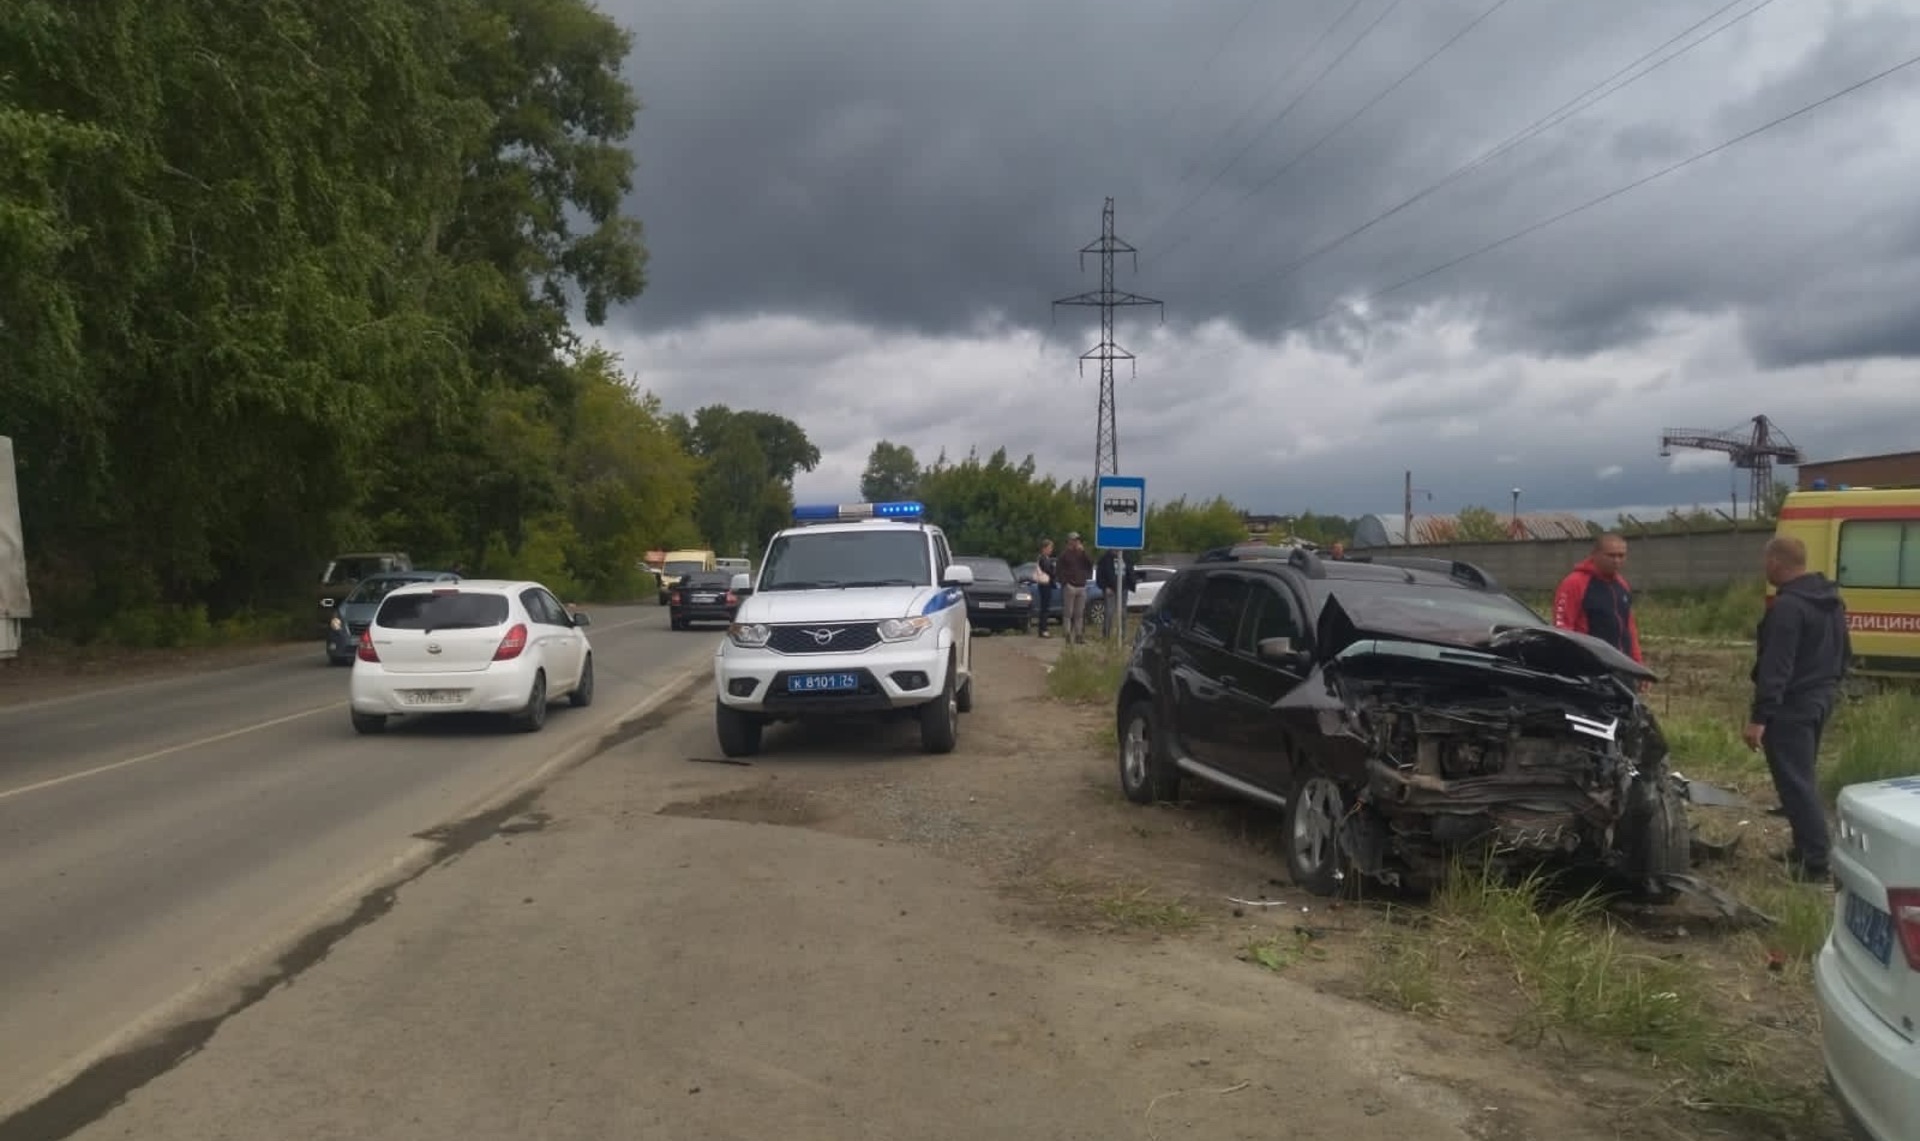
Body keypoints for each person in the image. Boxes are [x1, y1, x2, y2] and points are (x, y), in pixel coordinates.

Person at [1745, 535, 1851, 882]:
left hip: (1792, 705)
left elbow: (1777, 665)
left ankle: (1816, 862)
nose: (1765, 569)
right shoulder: (1830, 601)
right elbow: (1844, 652)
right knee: (1802, 775)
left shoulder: (1788, 607)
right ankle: (1804, 848)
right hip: (1820, 698)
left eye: (1766, 563)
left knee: (1795, 782)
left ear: (1776, 562)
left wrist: (1760, 717)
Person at [1551, 532, 1643, 663]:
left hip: (1622, 664)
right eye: (1611, 555)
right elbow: (1563, 626)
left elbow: (1629, 627)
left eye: (1621, 556)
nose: (1616, 560)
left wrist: (1637, 662)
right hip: (1590, 665)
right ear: (1595, 554)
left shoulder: (1622, 584)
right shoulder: (1574, 583)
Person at [1056, 532, 1095, 644]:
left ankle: (1079, 635)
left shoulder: (1082, 554)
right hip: (1070, 586)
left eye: (1078, 540)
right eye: (1074, 540)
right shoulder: (1064, 555)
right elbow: (1058, 571)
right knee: (1068, 612)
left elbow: (1090, 563)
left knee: (1079, 613)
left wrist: (1083, 552)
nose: (1077, 542)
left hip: (1081, 586)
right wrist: (1065, 583)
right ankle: (1067, 634)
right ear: (1069, 541)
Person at [1032, 538, 1058, 638]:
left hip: (1045, 584)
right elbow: (1048, 571)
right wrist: (1054, 570)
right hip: (1045, 584)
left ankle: (1043, 629)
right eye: (1050, 547)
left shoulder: (1044, 558)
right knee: (1045, 608)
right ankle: (1043, 629)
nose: (1051, 550)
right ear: (1044, 548)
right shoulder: (1043, 559)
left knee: (1045, 607)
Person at [1094, 547, 1121, 638]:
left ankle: (1118, 634)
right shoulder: (1105, 559)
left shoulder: (1121, 557)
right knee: (1109, 612)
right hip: (1109, 589)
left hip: (1120, 588)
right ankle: (1106, 634)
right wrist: (1105, 587)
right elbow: (1100, 575)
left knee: (1118, 613)